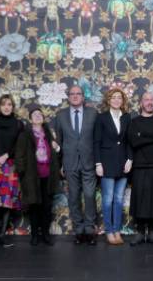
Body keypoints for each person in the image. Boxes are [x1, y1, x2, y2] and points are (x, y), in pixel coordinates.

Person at [54, 84, 98, 245]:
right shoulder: (61, 115)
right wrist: (60, 164)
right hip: (69, 162)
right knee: (73, 197)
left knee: (89, 195)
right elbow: (58, 141)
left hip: (89, 161)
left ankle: (89, 229)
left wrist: (98, 162)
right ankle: (79, 230)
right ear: (68, 97)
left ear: (83, 96)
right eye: (72, 94)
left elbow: (98, 139)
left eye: (78, 93)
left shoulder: (93, 113)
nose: (75, 96)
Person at [15, 105, 62, 246]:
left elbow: (57, 151)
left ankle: (46, 235)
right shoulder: (25, 135)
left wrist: (57, 148)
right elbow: (19, 155)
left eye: (40, 114)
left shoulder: (49, 133)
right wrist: (22, 173)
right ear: (30, 119)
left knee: (47, 207)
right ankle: (35, 235)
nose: (37, 116)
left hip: (48, 176)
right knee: (34, 206)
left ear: (43, 118)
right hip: (31, 176)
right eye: (34, 114)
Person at [128, 92, 153, 245]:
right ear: (141, 103)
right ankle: (139, 232)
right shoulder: (134, 121)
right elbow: (134, 141)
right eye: (146, 100)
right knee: (140, 199)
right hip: (139, 166)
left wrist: (143, 134)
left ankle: (151, 232)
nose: (149, 102)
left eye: (152, 100)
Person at [94, 88, 133, 245]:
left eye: (119, 97)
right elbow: (96, 142)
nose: (117, 100)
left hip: (123, 163)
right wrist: (98, 163)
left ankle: (117, 230)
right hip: (106, 163)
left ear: (122, 101)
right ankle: (109, 231)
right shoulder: (101, 118)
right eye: (114, 97)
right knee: (108, 199)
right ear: (109, 100)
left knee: (118, 199)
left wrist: (130, 159)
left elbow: (129, 140)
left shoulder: (127, 117)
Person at [0, 94, 24, 248]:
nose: (6, 107)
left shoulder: (18, 124)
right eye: (3, 104)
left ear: (13, 107)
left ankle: (2, 234)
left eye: (9, 104)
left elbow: (19, 145)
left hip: (10, 165)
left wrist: (5, 156)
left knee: (7, 200)